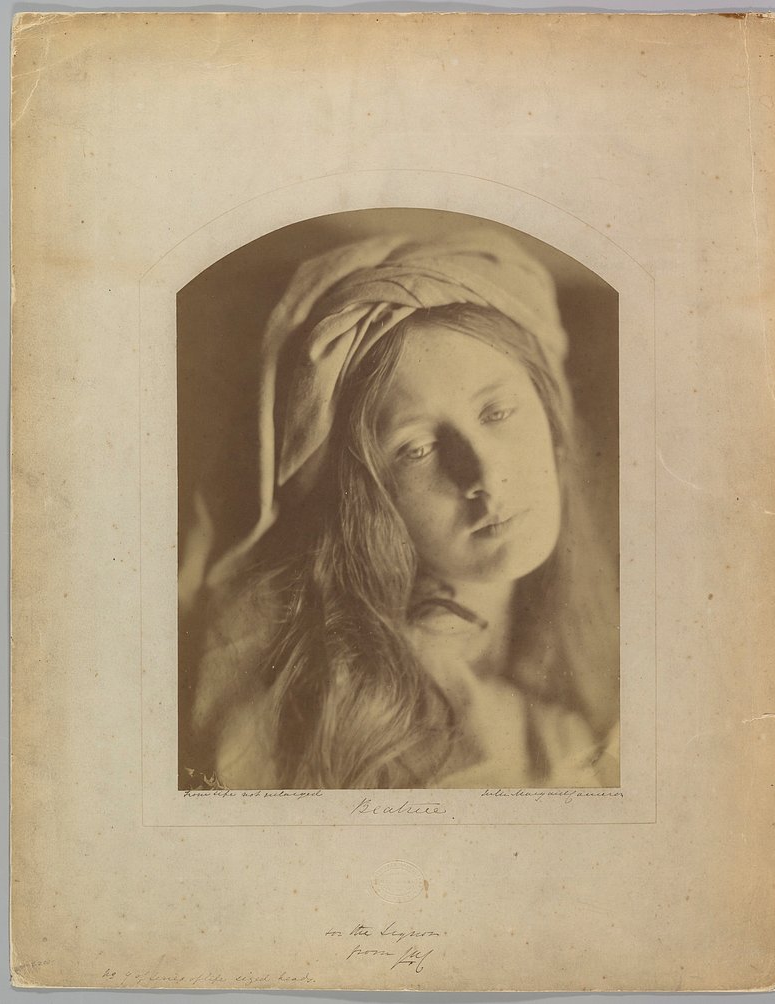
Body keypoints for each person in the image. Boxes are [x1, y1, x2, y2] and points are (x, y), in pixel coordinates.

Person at [180, 229, 619, 790]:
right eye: (417, 449)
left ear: (552, 418)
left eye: (498, 413)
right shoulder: (342, 704)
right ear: (367, 496)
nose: (485, 476)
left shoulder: (589, 620)